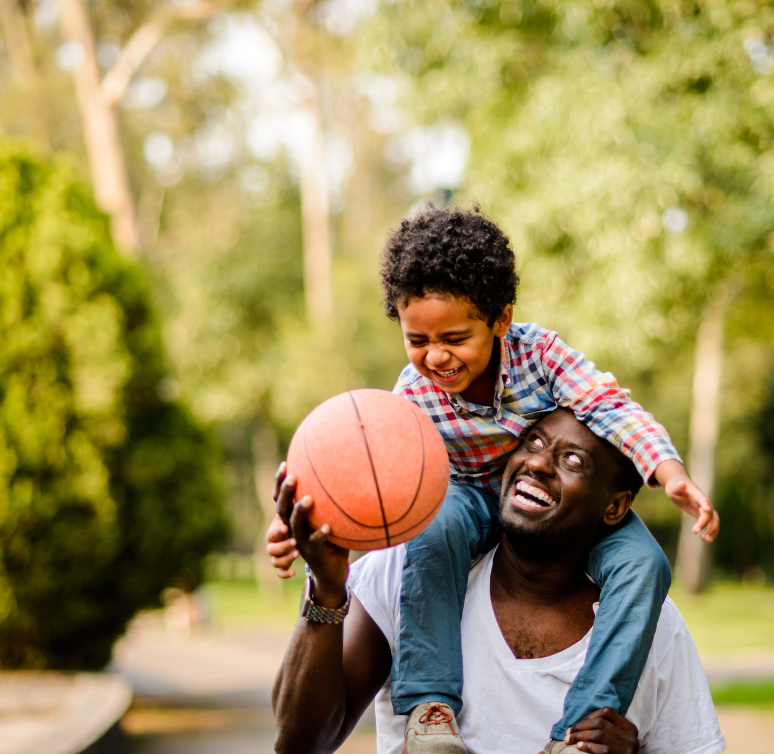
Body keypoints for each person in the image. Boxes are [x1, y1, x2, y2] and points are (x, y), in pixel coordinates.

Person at [267, 205, 721, 754]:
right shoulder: (411, 399)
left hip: (557, 519)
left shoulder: (542, 357)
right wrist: (300, 525)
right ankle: (431, 710)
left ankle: (582, 727)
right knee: (436, 533)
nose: (435, 356)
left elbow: (606, 404)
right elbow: (360, 466)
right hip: (460, 499)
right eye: (417, 340)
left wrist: (666, 471)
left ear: (501, 320)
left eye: (455, 338)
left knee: (648, 563)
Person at [269, 409, 726, 754]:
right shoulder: (406, 569)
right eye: (531, 442)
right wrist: (327, 592)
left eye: (572, 459)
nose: (538, 464)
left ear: (615, 507)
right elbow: (299, 743)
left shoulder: (649, 623)